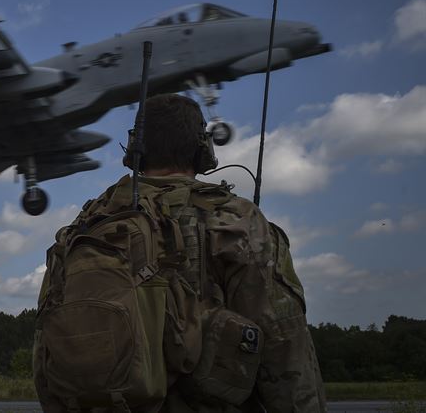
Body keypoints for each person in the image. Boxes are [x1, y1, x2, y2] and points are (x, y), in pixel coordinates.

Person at [34, 94, 325, 412]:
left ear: (134, 150)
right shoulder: (235, 221)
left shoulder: (86, 227)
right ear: (203, 149)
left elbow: (47, 349)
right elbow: (285, 351)